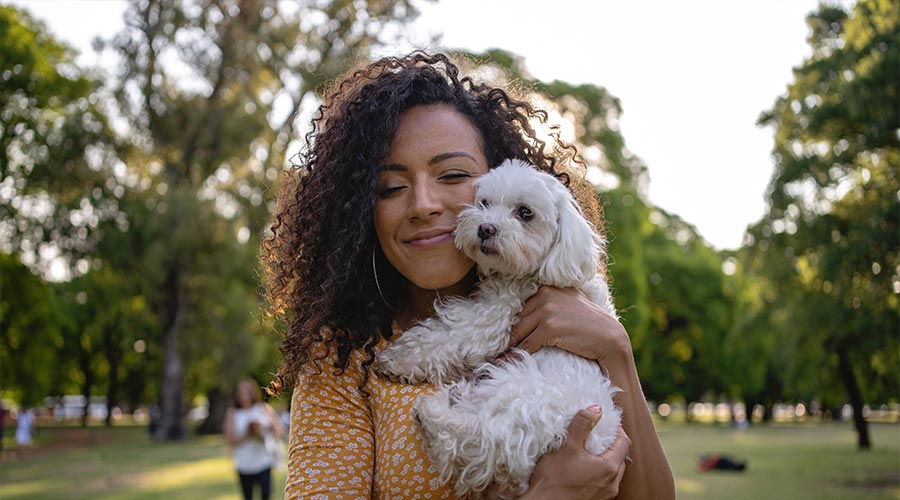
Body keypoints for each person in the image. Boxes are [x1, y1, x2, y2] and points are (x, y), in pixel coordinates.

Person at [263, 51, 675, 499]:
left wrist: (616, 350)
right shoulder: (341, 361)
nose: (423, 204)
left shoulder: (577, 315)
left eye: (454, 175)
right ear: (361, 209)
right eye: (391, 187)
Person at [224, 379, 286, 500]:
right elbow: (230, 440)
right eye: (241, 393)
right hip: (244, 463)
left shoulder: (263, 408)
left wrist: (265, 432)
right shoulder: (233, 413)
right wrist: (249, 434)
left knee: (266, 494)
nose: (244, 396)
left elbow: (279, 431)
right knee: (248, 496)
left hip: (264, 461)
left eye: (247, 392)